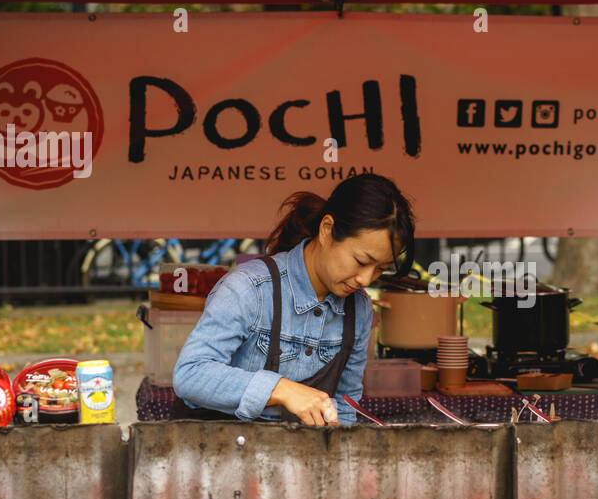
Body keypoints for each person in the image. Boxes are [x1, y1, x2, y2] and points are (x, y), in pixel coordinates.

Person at [171, 174, 415, 425]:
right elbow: (190, 374)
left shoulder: (359, 309)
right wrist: (281, 390)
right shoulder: (249, 289)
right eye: (361, 261)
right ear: (327, 230)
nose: (366, 279)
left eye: (379, 269)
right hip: (216, 451)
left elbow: (345, 404)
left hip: (294, 459)